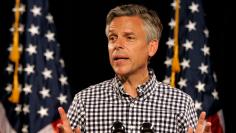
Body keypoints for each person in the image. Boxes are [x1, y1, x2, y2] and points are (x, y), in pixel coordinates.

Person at [57, 4, 212, 133]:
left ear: (151, 47)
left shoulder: (180, 104)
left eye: (129, 37)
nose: (117, 45)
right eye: (112, 38)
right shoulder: (84, 102)